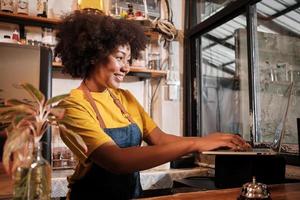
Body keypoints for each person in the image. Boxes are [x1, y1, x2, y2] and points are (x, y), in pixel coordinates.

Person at [56, 10, 250, 200]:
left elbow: (160, 139)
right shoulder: (74, 106)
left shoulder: (125, 98)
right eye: (119, 57)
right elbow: (117, 161)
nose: (126, 67)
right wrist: (196, 144)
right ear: (93, 55)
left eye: (128, 59)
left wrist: (207, 141)